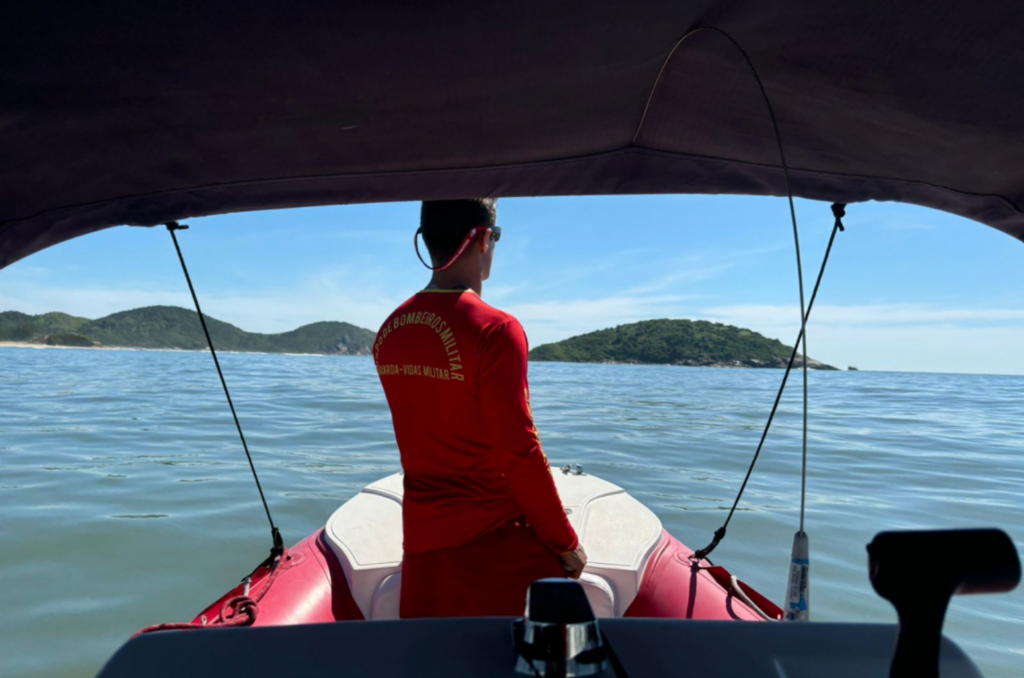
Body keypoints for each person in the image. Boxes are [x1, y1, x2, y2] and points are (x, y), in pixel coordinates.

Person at [373, 199, 587, 618]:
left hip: (423, 552)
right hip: (499, 548)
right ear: (483, 238)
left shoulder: (390, 330)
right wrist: (565, 543)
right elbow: (518, 453)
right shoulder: (496, 330)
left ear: (425, 241)